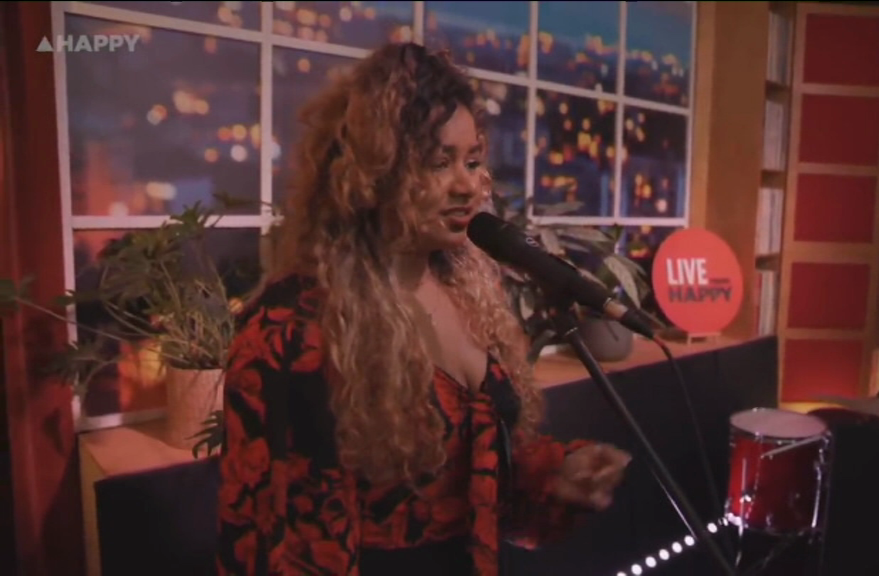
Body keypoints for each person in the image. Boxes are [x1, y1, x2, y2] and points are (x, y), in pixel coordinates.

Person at [217, 42, 632, 576]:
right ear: (373, 173)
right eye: (439, 163)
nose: (467, 185)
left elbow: (478, 477)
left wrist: (555, 475)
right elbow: (268, 544)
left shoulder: (471, 287)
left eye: (473, 161)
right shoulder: (290, 330)